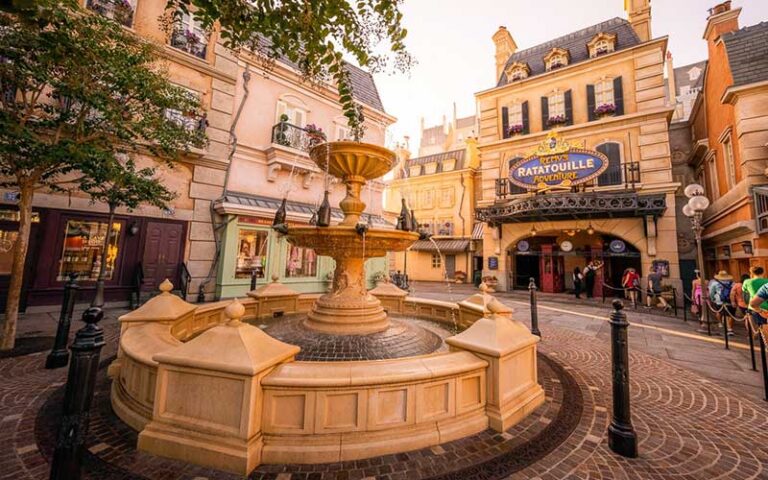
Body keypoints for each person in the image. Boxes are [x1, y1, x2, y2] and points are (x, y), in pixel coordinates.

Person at [709, 270, 734, 336]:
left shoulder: (715, 283)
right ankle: (730, 328)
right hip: (729, 300)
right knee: (730, 315)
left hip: (719, 300)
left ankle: (720, 323)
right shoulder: (732, 283)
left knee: (719, 312)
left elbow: (712, 292)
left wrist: (712, 299)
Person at [744, 266, 768, 332]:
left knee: (755, 328)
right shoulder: (766, 281)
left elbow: (745, 294)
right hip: (766, 306)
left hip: (754, 307)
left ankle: (753, 336)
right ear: (763, 272)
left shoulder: (747, 282)